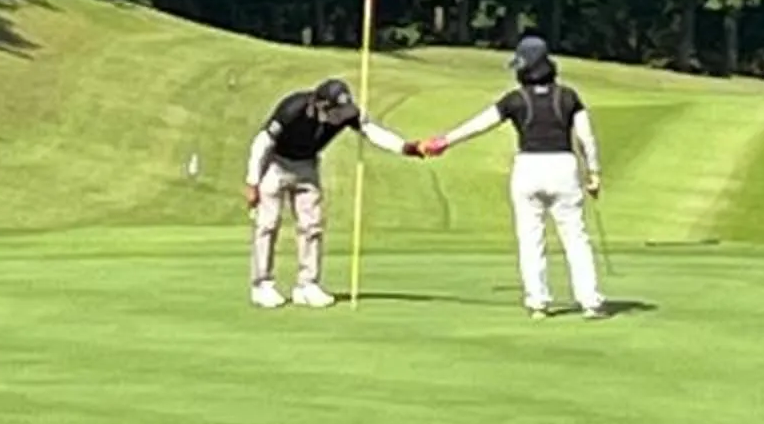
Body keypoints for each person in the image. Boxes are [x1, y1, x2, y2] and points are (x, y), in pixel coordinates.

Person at [419, 34, 608, 317]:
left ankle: (538, 302)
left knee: (531, 239)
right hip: (563, 167)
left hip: (528, 168)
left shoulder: (515, 100)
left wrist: (445, 141)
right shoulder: (569, 97)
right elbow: (586, 138)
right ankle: (590, 301)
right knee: (575, 238)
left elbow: (480, 124)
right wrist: (593, 172)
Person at [245, 77, 418, 307]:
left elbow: (371, 131)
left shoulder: (347, 113)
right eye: (336, 112)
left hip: (307, 166)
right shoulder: (293, 108)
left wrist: (405, 147)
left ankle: (307, 285)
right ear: (320, 105)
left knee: (312, 226)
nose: (341, 118)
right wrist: (252, 182)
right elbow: (262, 143)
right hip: (276, 165)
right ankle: (262, 285)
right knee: (267, 225)